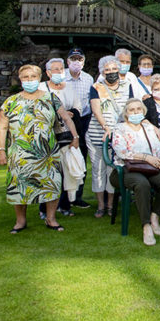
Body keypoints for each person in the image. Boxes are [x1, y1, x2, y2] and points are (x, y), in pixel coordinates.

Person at [0, 64, 79, 233]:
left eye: (33, 77)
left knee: (51, 184)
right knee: (19, 186)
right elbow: (2, 128)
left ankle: (51, 218)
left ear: (39, 78)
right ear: (20, 80)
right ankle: (20, 221)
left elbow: (66, 118)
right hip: (19, 153)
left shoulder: (51, 98)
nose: (29, 80)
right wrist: (0, 150)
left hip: (47, 153)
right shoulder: (11, 102)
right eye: (25, 77)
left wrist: (75, 137)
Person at [111, 99, 160, 245]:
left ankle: (155, 217)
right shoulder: (119, 128)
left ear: (143, 111)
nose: (135, 112)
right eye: (132, 110)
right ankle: (146, 226)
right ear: (126, 113)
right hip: (127, 169)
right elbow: (121, 152)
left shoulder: (147, 128)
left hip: (148, 168)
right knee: (142, 184)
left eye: (138, 109)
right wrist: (146, 157)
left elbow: (158, 148)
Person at [86, 55, 130, 218]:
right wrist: (106, 127)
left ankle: (111, 204)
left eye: (114, 69)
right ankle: (100, 205)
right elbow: (96, 109)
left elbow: (130, 107)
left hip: (119, 135)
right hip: (97, 133)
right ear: (102, 72)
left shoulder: (127, 86)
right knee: (98, 170)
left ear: (119, 70)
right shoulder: (96, 87)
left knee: (112, 169)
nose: (111, 72)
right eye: (107, 70)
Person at [38, 58, 79, 218]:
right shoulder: (41, 88)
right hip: (46, 135)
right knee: (47, 172)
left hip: (66, 133)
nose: (59, 71)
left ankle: (64, 205)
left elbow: (78, 106)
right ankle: (44, 209)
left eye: (61, 69)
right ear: (48, 73)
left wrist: (71, 113)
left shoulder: (69, 88)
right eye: (55, 69)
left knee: (65, 171)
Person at [63, 47, 94, 209]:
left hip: (83, 121)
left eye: (79, 59)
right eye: (73, 59)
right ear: (68, 61)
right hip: (63, 120)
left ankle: (77, 197)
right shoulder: (61, 77)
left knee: (81, 158)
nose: (76, 62)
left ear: (84, 61)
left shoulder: (88, 79)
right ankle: (63, 199)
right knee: (64, 159)